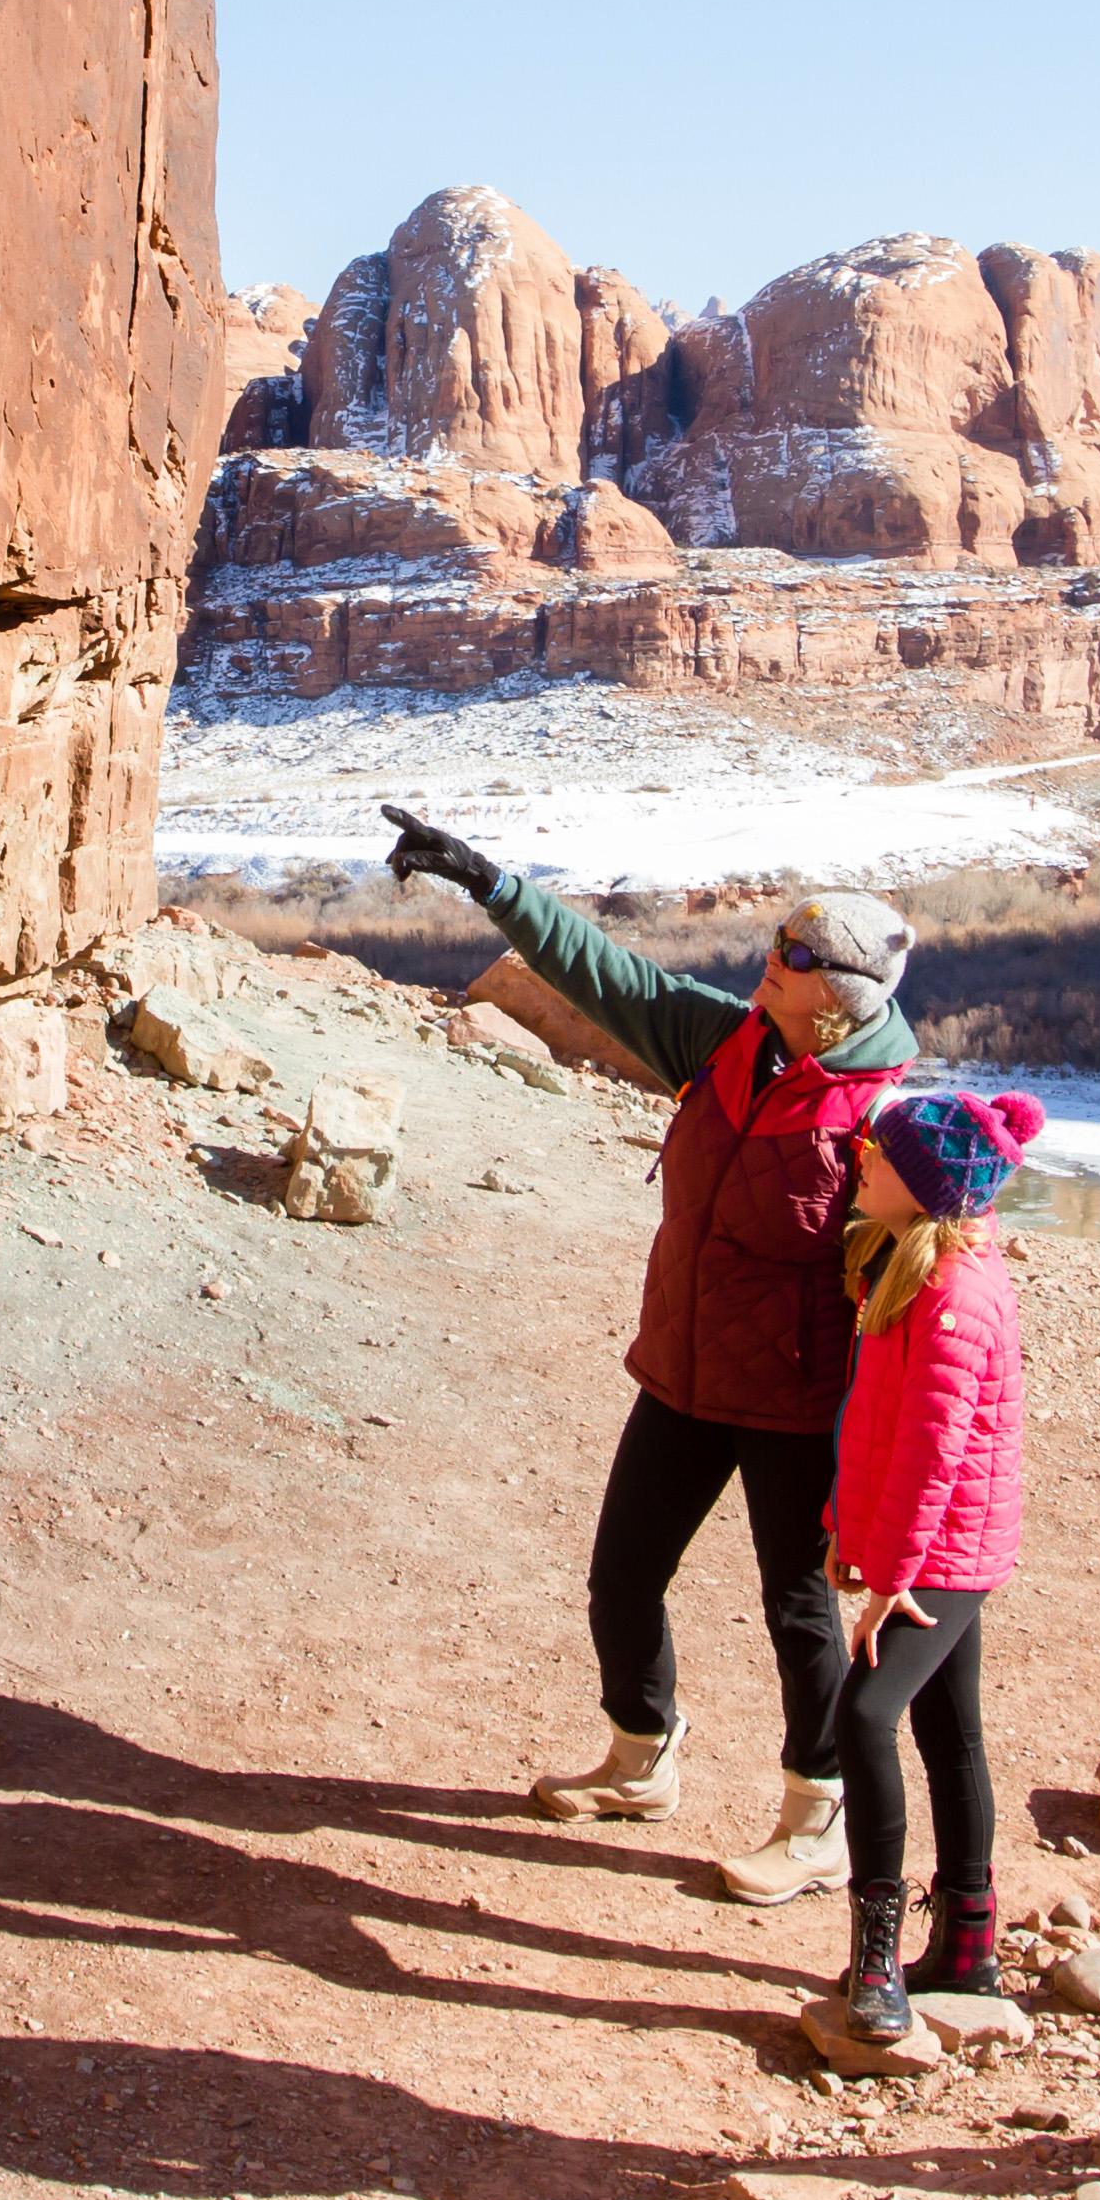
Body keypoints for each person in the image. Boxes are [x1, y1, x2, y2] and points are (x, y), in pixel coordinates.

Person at [377, 802, 913, 1904]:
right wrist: (487, 882)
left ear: (841, 999)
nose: (769, 961)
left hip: (802, 1405)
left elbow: (918, 1292)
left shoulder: (883, 1120)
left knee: (800, 1612)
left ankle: (818, 1817)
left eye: (792, 958)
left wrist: (884, 1463)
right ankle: (641, 1754)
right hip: (685, 1371)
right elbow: (601, 974)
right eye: (776, 944)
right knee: (623, 1573)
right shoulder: (729, 1041)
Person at [817, 1084, 1041, 2039]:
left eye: (878, 1152)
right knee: (951, 1731)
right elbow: (872, 1423)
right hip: (939, 1540)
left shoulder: (953, 1292)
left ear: (919, 1183)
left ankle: (878, 1962)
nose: (860, 1156)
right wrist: (843, 1527)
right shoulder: (906, 1268)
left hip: (946, 1550)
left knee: (865, 1713)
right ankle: (969, 1945)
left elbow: (931, 1453)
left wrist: (892, 1575)